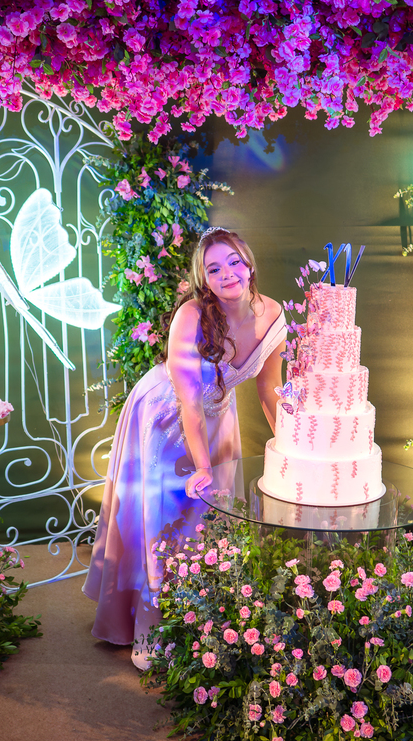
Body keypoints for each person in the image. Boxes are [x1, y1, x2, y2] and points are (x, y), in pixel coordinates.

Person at [82, 227, 286, 668]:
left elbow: (271, 390)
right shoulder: (192, 315)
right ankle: (149, 629)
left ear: (249, 263)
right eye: (214, 268)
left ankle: (201, 621)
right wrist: (201, 466)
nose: (227, 273)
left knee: (209, 518)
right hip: (166, 415)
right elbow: (189, 401)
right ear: (204, 279)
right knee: (162, 513)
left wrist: (287, 442)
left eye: (233, 261)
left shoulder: (273, 315)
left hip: (220, 419)